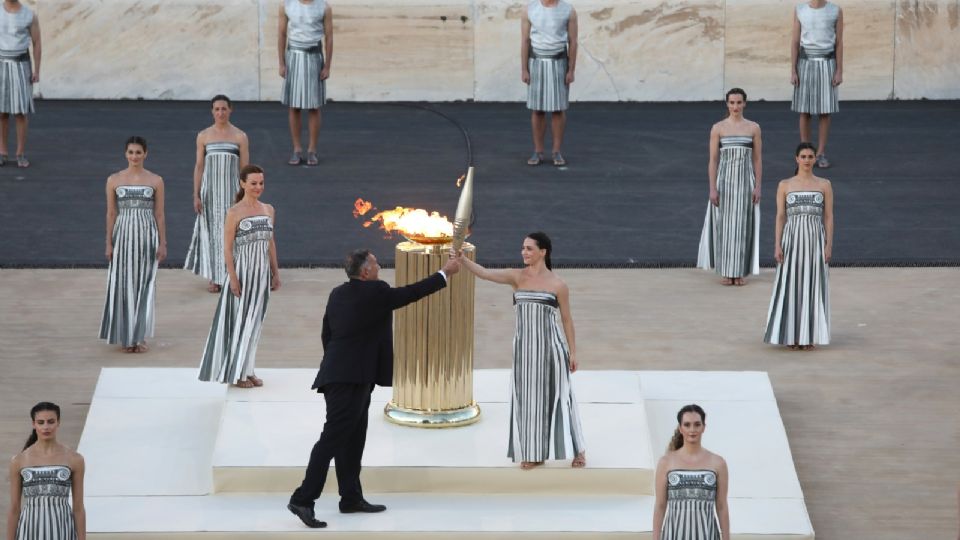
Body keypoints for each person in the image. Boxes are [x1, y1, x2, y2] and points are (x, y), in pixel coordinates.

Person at [287, 249, 460, 528]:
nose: (379, 266)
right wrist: (445, 273)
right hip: (347, 379)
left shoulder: (337, 293)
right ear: (366, 271)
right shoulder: (375, 291)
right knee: (331, 439)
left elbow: (326, 334)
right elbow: (410, 293)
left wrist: (338, 366)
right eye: (376, 263)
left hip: (346, 376)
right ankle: (303, 499)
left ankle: (351, 498)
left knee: (353, 439)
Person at [457, 232, 586, 469]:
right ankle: (533, 452)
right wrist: (463, 260)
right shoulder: (516, 277)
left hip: (551, 349)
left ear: (543, 252)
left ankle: (578, 449)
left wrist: (573, 352)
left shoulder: (558, 284)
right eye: (523, 248)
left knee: (560, 397)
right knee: (527, 400)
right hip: (524, 351)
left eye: (529, 248)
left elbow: (567, 320)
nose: (524, 252)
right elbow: (485, 273)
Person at [198, 165, 280, 388]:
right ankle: (237, 373)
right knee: (240, 322)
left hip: (261, 275)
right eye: (253, 183)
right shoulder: (234, 212)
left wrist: (275, 272)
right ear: (243, 183)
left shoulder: (268, 209)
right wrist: (232, 278)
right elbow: (227, 248)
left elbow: (270, 242)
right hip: (243, 274)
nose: (258, 187)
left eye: (261, 183)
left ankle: (248, 368)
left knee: (255, 322)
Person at [99, 136, 167, 353]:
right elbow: (111, 213)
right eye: (131, 152)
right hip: (123, 236)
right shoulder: (114, 180)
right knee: (122, 283)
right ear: (125, 154)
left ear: (145, 154)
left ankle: (138, 336)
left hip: (147, 236)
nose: (134, 156)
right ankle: (126, 336)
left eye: (138, 152)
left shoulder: (156, 180)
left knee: (144, 284)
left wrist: (162, 242)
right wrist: (109, 242)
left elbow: (159, 214)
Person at [764, 142, 833, 349]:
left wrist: (829, 244)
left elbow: (829, 217)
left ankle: (808, 336)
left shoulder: (824, 184)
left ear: (814, 159)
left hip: (815, 240)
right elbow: (780, 216)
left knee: (812, 284)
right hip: (792, 239)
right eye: (803, 156)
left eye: (810, 156)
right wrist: (777, 245)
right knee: (791, 283)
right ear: (796, 159)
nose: (806, 160)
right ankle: (791, 335)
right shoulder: (785, 185)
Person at [185, 95, 250, 293]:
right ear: (212, 111)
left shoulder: (240, 136)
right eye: (217, 109)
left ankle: (232, 275)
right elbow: (199, 167)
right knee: (213, 233)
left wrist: (246, 196)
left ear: (231, 110)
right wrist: (196, 194)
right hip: (210, 192)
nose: (220, 112)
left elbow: (245, 169)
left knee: (232, 232)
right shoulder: (203, 136)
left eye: (224, 109)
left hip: (232, 191)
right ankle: (215, 277)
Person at [697, 88, 762, 286]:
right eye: (732, 102)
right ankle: (726, 270)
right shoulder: (718, 128)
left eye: (739, 102)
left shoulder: (753, 128)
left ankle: (739, 271)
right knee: (725, 225)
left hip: (745, 182)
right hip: (724, 182)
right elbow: (713, 160)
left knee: (742, 225)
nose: (735, 106)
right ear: (727, 104)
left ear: (745, 104)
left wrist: (758, 186)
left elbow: (758, 159)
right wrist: (712, 188)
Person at [7, 402, 85, 540]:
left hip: (63, 530)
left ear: (58, 423)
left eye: (51, 422)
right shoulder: (18, 460)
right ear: (33, 424)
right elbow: (14, 508)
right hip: (28, 530)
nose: (46, 427)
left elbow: (78, 507)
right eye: (41, 422)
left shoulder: (75, 459)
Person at [652, 404, 729, 540]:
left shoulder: (718, 463)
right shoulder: (666, 462)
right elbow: (660, 505)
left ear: (703, 427)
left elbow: (721, 506)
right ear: (680, 428)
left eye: (697, 424)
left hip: (707, 535)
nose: (692, 430)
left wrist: (726, 538)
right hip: (673, 535)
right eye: (687, 425)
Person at [521, 0, 577, 167]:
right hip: (536, 62)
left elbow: (573, 42)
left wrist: (571, 70)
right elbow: (525, 41)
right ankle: (538, 151)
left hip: (559, 62)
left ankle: (556, 151)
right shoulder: (529, 10)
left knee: (558, 109)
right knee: (537, 109)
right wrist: (524, 69)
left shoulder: (568, 10)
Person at [278, 0, 332, 166]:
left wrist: (327, 66)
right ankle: (296, 149)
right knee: (294, 106)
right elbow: (281, 34)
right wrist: (281, 63)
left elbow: (329, 37)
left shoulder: (324, 6)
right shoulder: (286, 5)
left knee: (314, 106)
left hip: (314, 57)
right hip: (294, 56)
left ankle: (312, 150)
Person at [790, 0, 843, 168]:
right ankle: (805, 153)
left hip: (828, 63)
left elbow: (839, 43)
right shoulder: (800, 10)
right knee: (804, 111)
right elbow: (795, 42)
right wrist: (793, 70)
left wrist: (839, 70)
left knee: (825, 111)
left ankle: (820, 153)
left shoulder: (835, 10)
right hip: (805, 63)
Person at [0, 0, 40, 168]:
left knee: (20, 112)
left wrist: (37, 70)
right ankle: (2, 152)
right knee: (1, 111)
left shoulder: (29, 15)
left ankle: (20, 153)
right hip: (1, 63)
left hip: (21, 65)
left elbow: (37, 43)